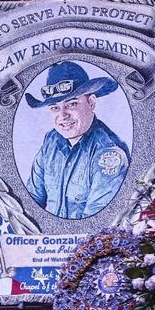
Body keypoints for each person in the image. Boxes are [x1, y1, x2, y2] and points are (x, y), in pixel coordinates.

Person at [25, 61, 131, 219]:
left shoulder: (109, 154)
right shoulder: (51, 141)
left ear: (91, 103)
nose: (62, 115)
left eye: (72, 104)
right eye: (55, 107)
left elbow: (97, 223)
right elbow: (31, 204)